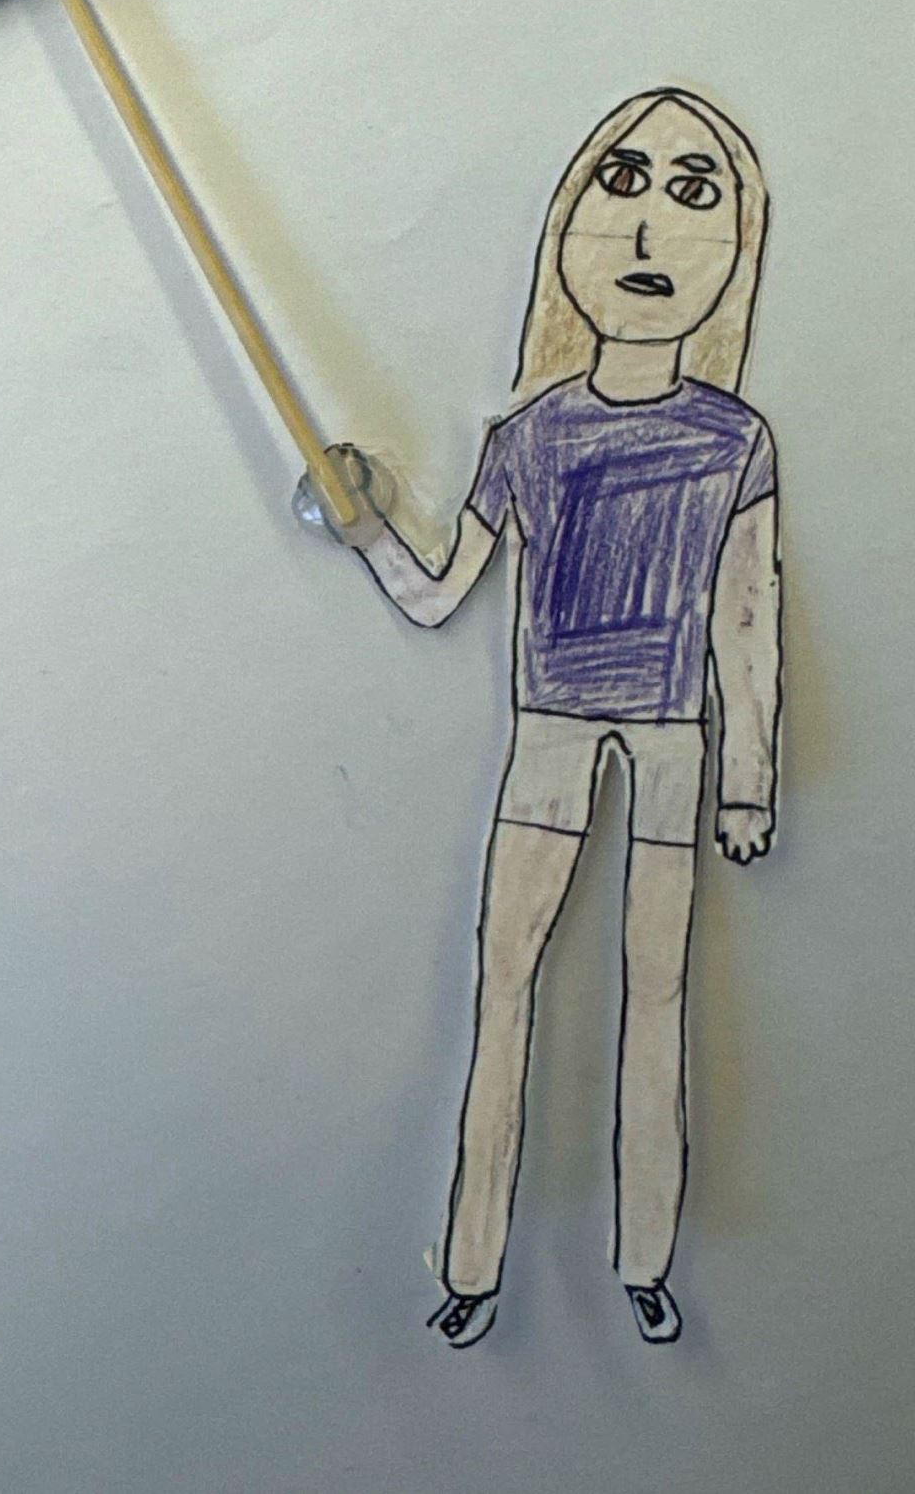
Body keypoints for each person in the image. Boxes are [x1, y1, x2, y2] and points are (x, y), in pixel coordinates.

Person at [303, 89, 781, 1347]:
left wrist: (750, 780)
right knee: (506, 978)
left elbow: (746, 616)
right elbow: (440, 590)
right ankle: (473, 1264)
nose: (651, 229)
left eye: (695, 194)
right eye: (623, 184)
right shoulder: (530, 432)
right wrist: (365, 523)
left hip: (670, 740)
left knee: (658, 990)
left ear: (737, 247)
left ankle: (646, 1259)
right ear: (568, 226)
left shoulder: (736, 440)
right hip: (552, 730)